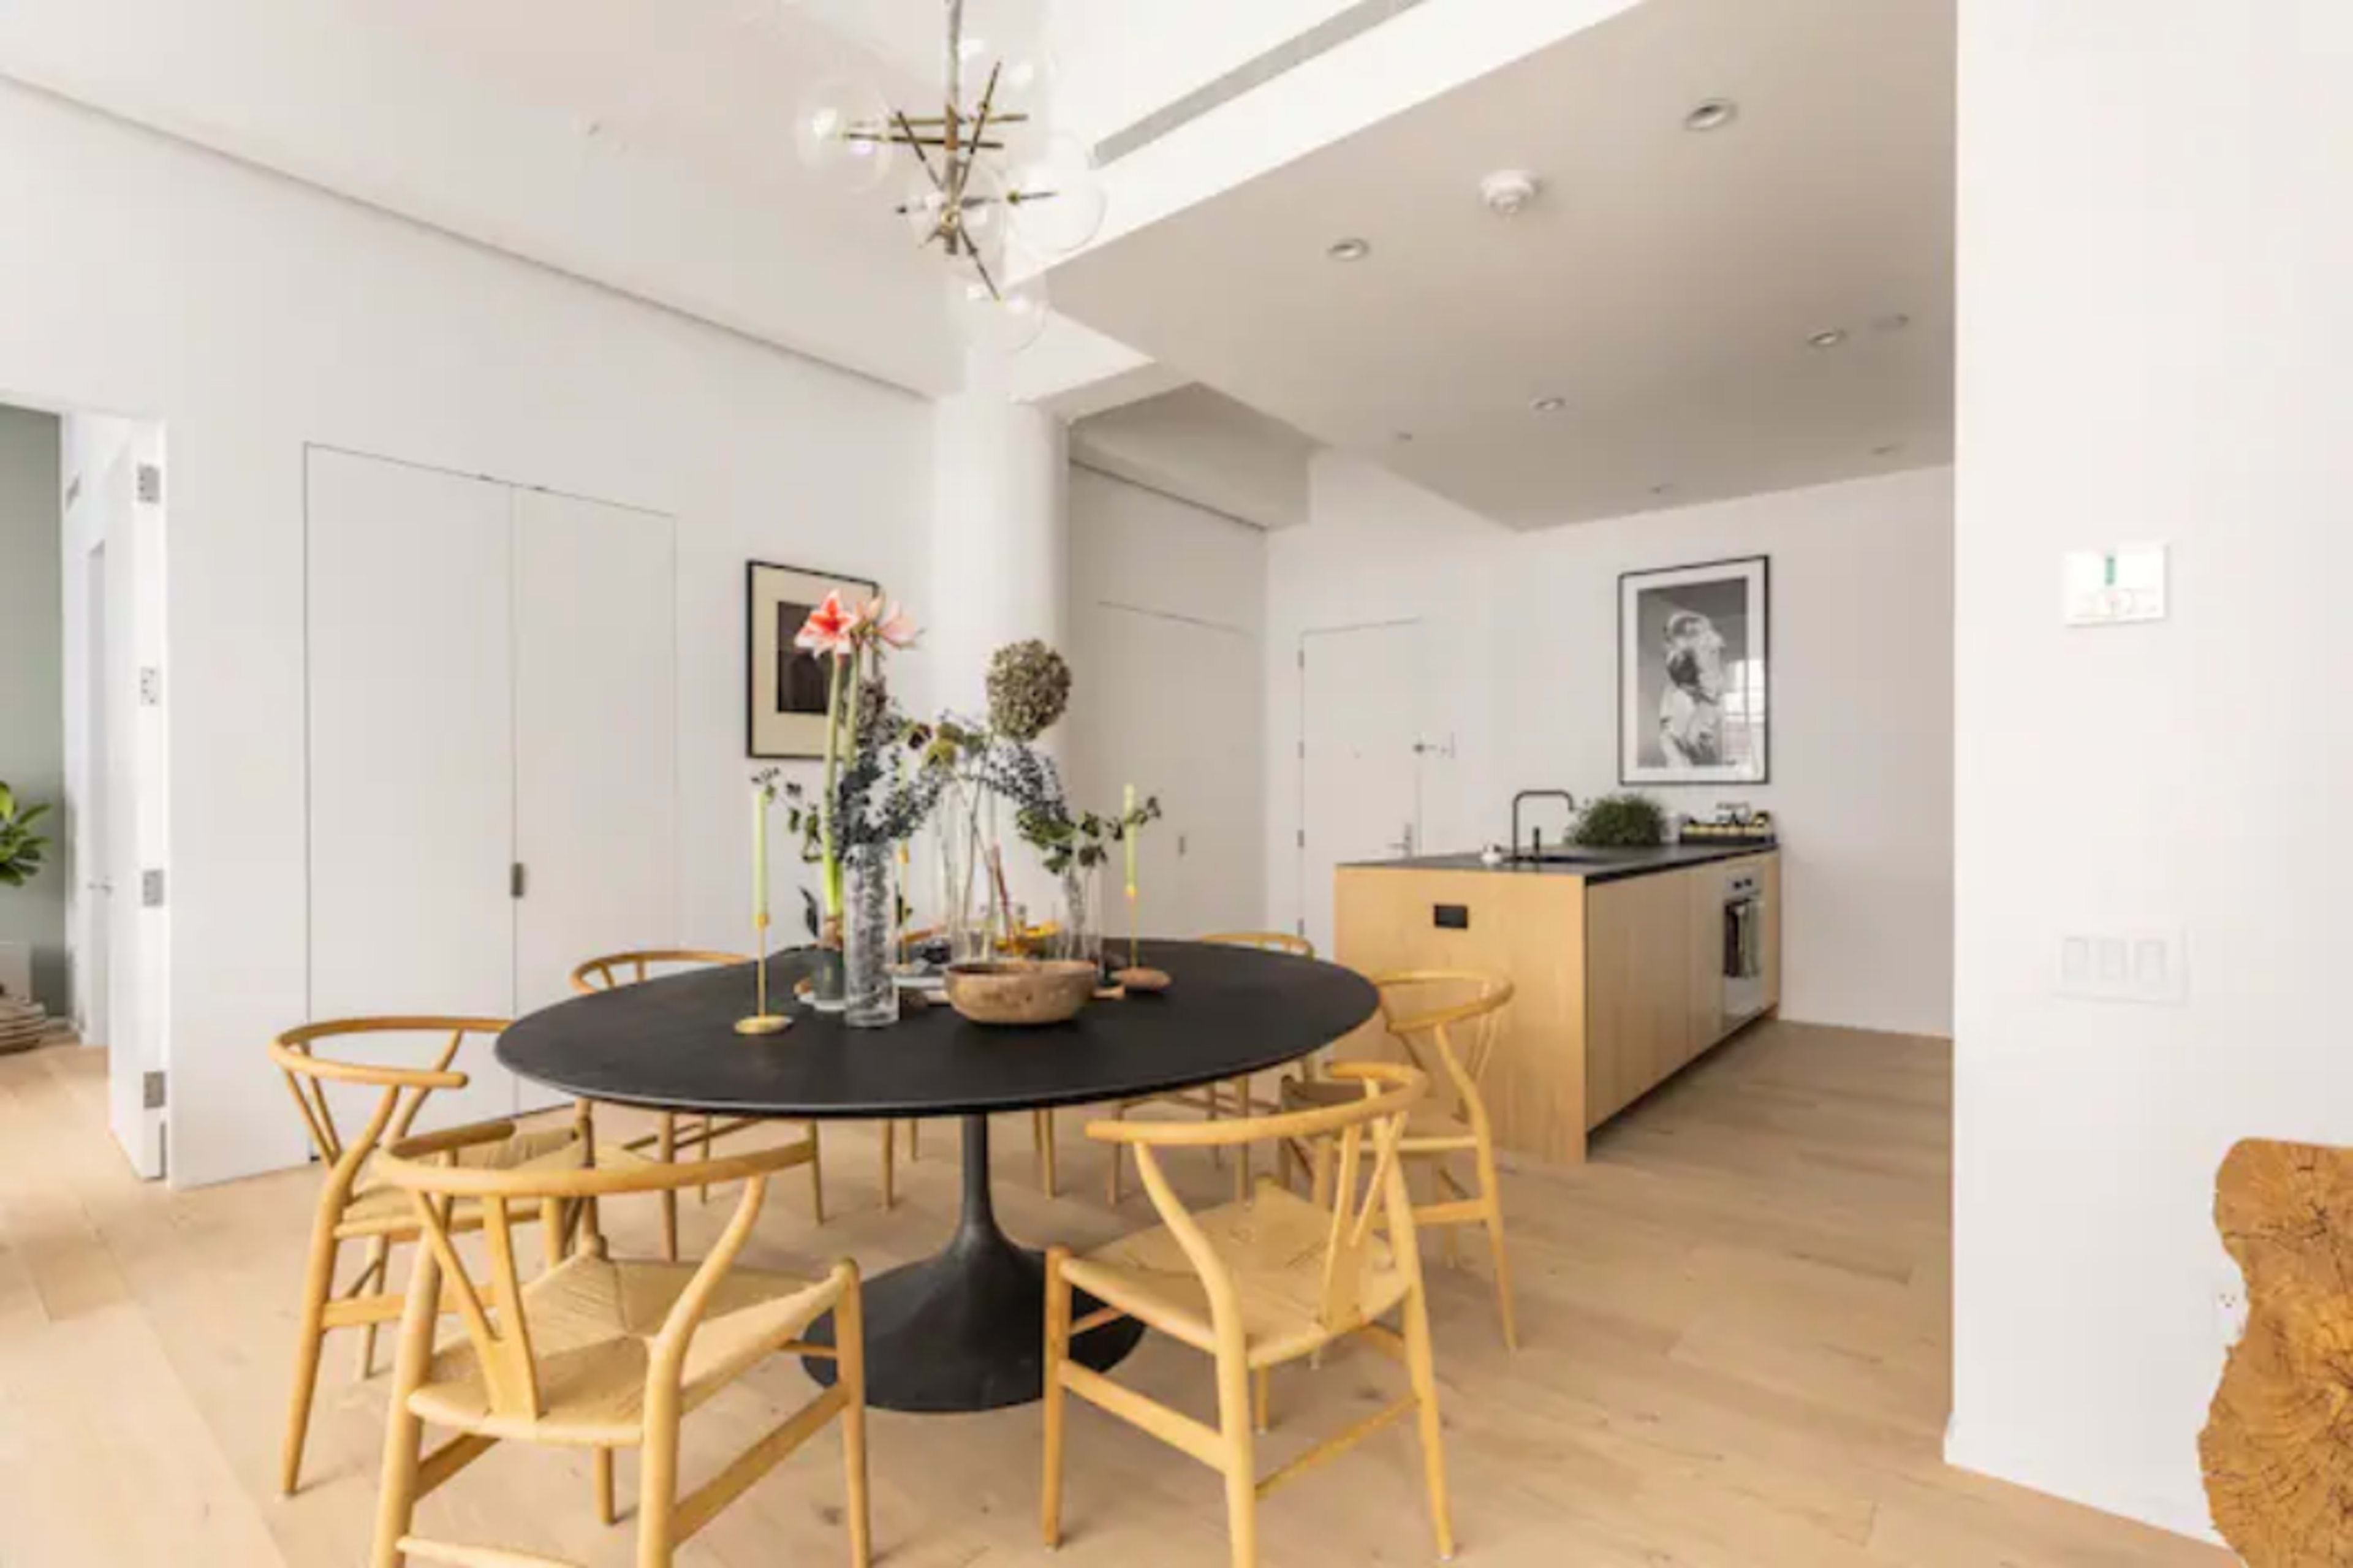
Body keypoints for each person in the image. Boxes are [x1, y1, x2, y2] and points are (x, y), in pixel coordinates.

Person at [1658, 609, 1727, 767]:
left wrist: (1697, 724)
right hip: (1680, 704)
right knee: (1676, 751)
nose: (1668, 642)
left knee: (1695, 747)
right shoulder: (1676, 654)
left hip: (1700, 704)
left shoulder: (1704, 649)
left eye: (1671, 637)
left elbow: (1712, 688)